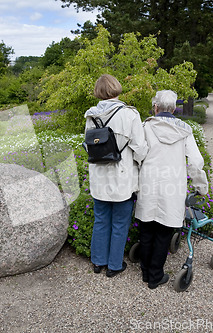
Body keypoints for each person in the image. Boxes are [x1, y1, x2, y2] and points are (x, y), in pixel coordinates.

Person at [135, 90, 209, 289]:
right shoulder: (185, 130)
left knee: (147, 229)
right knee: (164, 231)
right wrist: (201, 187)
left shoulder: (145, 126)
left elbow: (138, 154)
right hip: (172, 186)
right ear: (174, 108)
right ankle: (155, 275)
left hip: (149, 183)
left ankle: (145, 273)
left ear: (156, 107)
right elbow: (195, 161)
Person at [85, 74, 148, 277]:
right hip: (122, 177)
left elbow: (89, 146)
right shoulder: (129, 114)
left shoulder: (91, 116)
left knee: (101, 220)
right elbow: (139, 147)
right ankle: (114, 266)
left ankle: (98, 262)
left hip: (99, 176)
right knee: (120, 223)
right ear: (117, 88)